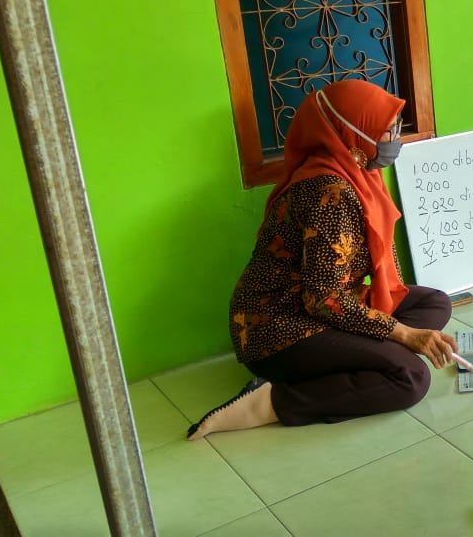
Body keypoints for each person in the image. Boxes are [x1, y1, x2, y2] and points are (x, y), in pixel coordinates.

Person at [187, 79, 457, 441]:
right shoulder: (329, 192)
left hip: (324, 305)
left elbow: (364, 276)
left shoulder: (360, 174)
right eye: (387, 129)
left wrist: (394, 332)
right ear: (354, 133)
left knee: (434, 302)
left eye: (396, 127)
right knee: (410, 378)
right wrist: (404, 334)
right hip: (279, 324)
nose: (395, 138)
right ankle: (268, 402)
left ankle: (362, 356)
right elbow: (323, 299)